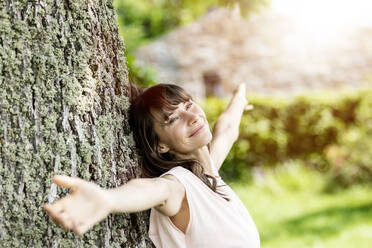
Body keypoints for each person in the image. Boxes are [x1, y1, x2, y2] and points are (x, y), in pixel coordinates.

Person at [43, 83, 259, 247]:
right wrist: (108, 198)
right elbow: (152, 190)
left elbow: (227, 130)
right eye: (173, 119)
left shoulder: (207, 174)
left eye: (189, 105)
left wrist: (239, 99)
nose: (192, 117)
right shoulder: (179, 186)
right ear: (160, 145)